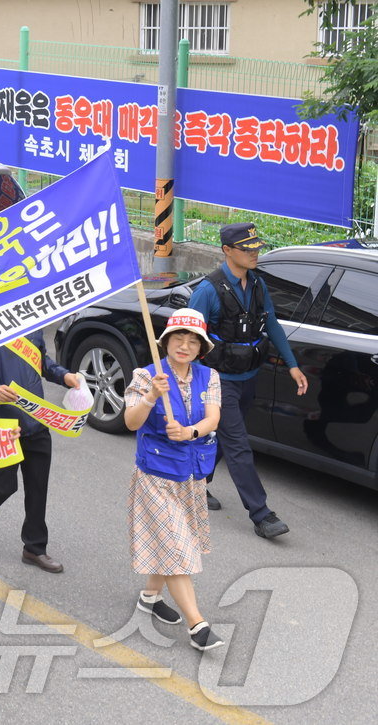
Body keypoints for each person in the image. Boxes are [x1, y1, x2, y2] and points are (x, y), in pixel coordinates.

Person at [187, 222, 305, 537]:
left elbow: (273, 324)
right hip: (218, 381)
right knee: (239, 445)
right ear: (227, 251)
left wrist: (292, 365)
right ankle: (261, 514)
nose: (255, 253)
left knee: (224, 440)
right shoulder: (207, 291)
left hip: (248, 376)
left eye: (257, 247)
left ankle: (195, 483)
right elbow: (186, 338)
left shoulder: (256, 284)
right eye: (247, 248)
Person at [122, 308, 225, 652]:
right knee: (178, 549)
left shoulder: (209, 377)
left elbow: (213, 418)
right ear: (165, 342)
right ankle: (198, 626)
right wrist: (151, 395)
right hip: (156, 476)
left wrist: (190, 431)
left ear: (201, 347)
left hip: (193, 474)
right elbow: (131, 423)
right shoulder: (146, 374)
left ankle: (150, 597)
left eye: (192, 340)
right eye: (178, 338)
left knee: (170, 545)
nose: (184, 345)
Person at [0, 330, 83, 573]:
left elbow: (41, 362)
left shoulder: (33, 325)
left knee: (38, 488)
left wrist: (64, 375)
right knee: (1, 486)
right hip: (1, 426)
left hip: (36, 422)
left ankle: (35, 548)